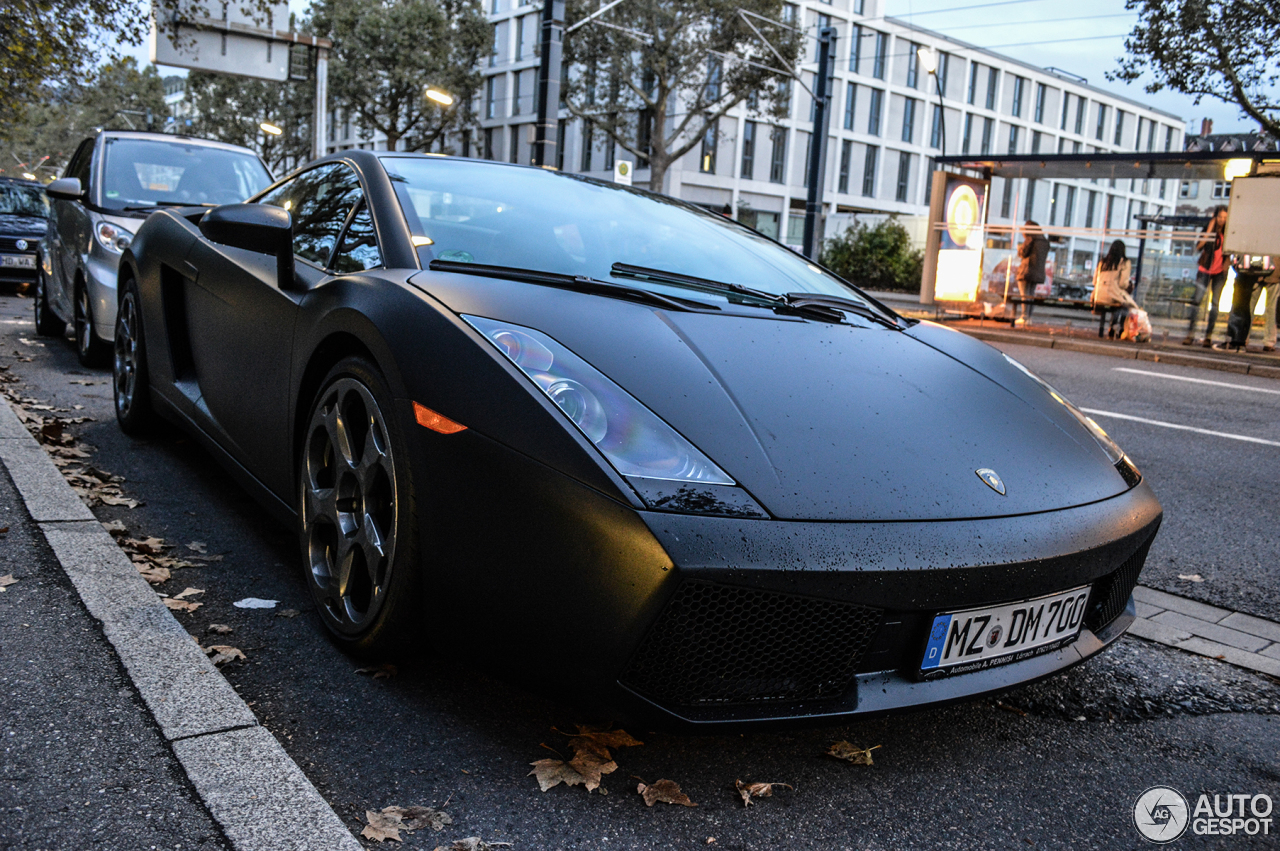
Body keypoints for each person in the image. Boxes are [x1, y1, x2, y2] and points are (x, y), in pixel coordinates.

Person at [1183, 205, 1229, 347]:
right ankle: (1190, 334)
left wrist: (1227, 265)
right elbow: (1199, 246)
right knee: (1196, 301)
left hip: (1219, 272)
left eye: (1225, 218)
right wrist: (1209, 230)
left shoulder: (1228, 233)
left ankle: (1208, 336)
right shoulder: (1208, 229)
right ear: (1215, 217)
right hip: (1205, 270)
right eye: (1220, 217)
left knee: (1215, 304)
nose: (1222, 220)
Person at [1090, 240, 1136, 338]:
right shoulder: (1124, 262)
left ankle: (1110, 328)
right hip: (1112, 295)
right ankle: (1118, 329)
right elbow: (1122, 284)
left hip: (1098, 296)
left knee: (1118, 303)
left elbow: (1094, 282)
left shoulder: (1103, 262)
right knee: (1127, 306)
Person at [1014, 221, 1049, 327]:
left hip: (1026, 271)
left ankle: (1024, 317)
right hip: (1038, 272)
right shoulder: (1044, 241)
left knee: (1025, 295)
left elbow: (1022, 253)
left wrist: (1020, 247)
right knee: (1031, 295)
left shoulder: (1030, 239)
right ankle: (1028, 317)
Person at [1248, 262, 1278, 352]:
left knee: (1250, 307)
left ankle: (1244, 338)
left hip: (1257, 271)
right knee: (1272, 309)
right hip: (1275, 271)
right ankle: (1269, 342)